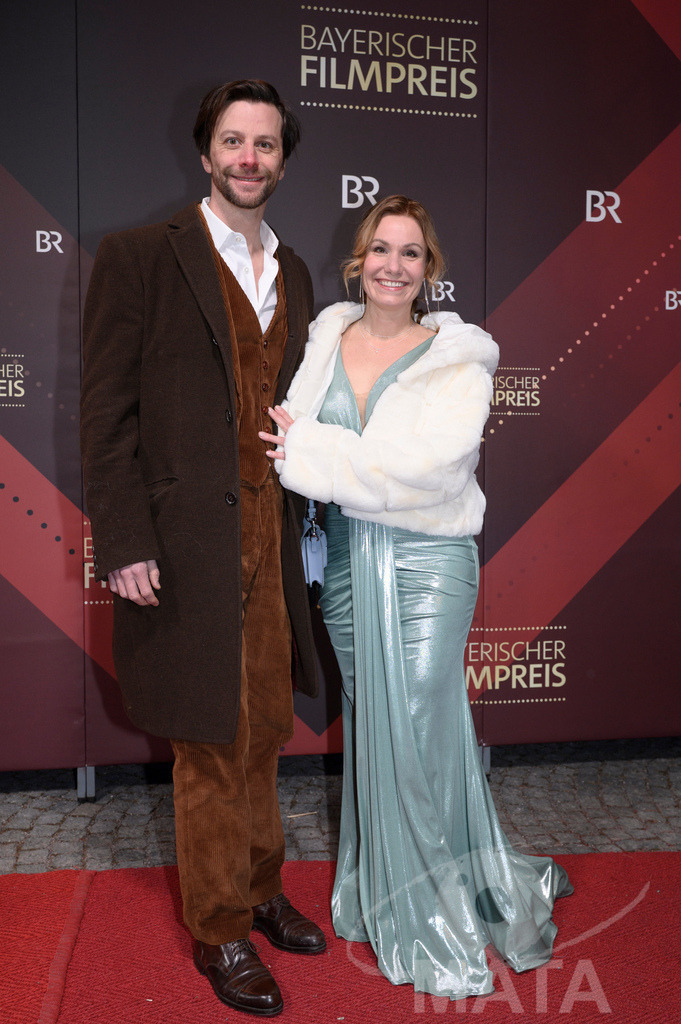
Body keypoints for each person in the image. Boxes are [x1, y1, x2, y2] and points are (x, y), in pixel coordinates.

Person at [260, 195, 573, 1000]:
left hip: (431, 559)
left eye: (409, 253)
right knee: (375, 722)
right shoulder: (325, 337)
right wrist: (321, 455)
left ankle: (442, 911)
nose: (392, 266)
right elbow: (287, 439)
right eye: (380, 249)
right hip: (346, 563)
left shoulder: (457, 356)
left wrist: (316, 451)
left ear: (428, 269)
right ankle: (389, 888)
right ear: (357, 259)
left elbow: (429, 469)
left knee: (424, 724)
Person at [80, 79, 326, 1018]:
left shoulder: (295, 272)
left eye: (265, 144)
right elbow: (106, 414)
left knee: (263, 732)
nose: (248, 158)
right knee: (209, 743)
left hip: (272, 542)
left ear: (283, 160)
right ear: (205, 152)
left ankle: (260, 890)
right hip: (182, 546)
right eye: (233, 141)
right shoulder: (141, 257)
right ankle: (220, 929)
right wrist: (124, 541)